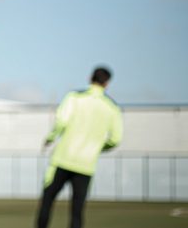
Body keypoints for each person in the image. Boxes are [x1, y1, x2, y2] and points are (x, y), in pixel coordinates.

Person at [36, 66, 124, 228]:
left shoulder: (74, 97)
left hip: (62, 159)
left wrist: (50, 138)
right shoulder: (112, 107)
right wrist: (98, 147)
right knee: (77, 210)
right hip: (86, 164)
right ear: (107, 83)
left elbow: (61, 122)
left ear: (90, 77)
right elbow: (115, 139)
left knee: (47, 201)